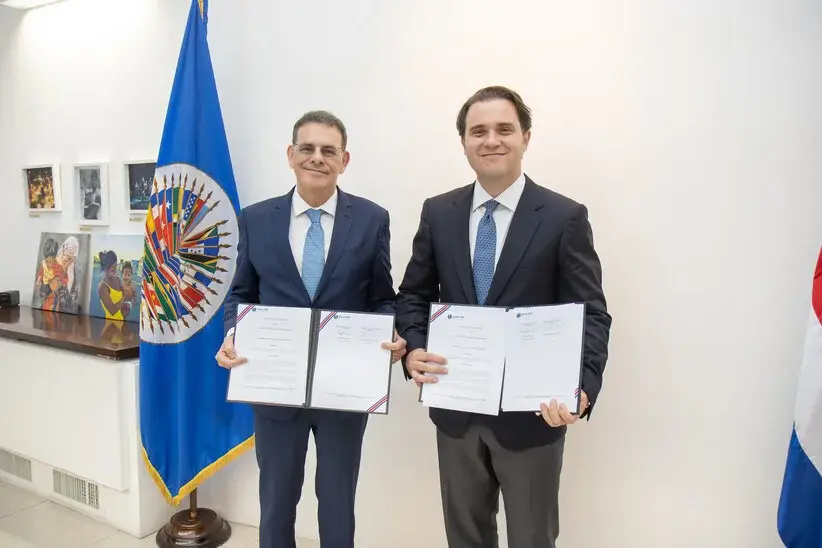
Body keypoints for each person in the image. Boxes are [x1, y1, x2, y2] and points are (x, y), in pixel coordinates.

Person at [395, 86, 612, 548]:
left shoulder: (564, 217)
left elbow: (591, 313)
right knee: (465, 537)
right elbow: (413, 295)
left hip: (534, 416)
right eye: (478, 131)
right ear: (463, 142)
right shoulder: (439, 212)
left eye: (504, 129)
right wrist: (414, 349)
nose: (491, 140)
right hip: (456, 411)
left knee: (532, 538)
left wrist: (582, 387)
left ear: (525, 137)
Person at [216, 111, 407, 548]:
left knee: (338, 503)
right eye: (307, 148)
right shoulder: (256, 218)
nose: (317, 158)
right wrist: (232, 334)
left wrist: (392, 332)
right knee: (276, 502)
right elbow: (241, 294)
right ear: (291, 154)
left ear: (344, 160)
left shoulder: (372, 219)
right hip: (275, 389)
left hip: (345, 391)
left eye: (328, 150)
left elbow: (383, 297)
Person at [97, 250, 130, 320]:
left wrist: (126, 306)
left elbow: (121, 300)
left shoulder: (117, 279)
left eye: (116, 266)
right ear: (106, 267)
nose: (115, 270)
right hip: (111, 324)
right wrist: (125, 296)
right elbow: (112, 310)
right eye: (113, 267)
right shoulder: (102, 287)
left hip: (122, 321)